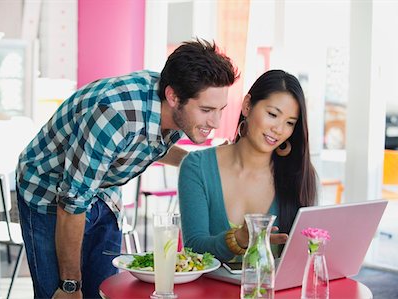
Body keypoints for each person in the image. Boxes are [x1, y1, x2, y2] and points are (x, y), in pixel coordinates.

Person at [16, 39, 238, 298]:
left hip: (104, 193)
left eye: (220, 109)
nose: (215, 121)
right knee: (60, 294)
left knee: (104, 292)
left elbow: (147, 144)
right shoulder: (115, 114)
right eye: (206, 110)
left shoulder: (176, 109)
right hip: (48, 193)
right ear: (173, 97)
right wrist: (69, 285)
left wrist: (202, 165)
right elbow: (72, 202)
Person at [178, 69, 317, 262]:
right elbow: (194, 249)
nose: (278, 129)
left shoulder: (300, 174)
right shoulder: (196, 167)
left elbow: (302, 256)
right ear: (247, 106)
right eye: (272, 114)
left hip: (270, 291)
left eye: (290, 123)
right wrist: (237, 240)